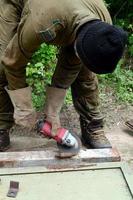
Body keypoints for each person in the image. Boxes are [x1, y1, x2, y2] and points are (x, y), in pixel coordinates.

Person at [0, 0, 127, 151]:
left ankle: (92, 126)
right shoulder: (43, 25)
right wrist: (23, 107)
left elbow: (70, 65)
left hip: (67, 12)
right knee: (2, 66)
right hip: (18, 4)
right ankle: (1, 125)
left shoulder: (104, 28)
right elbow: (13, 62)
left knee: (85, 72)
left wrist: (52, 111)